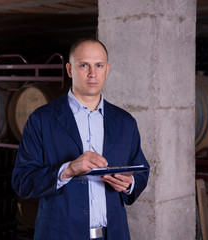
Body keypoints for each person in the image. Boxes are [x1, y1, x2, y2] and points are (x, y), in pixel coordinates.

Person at [12, 38, 150, 240]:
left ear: (107, 69)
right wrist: (67, 170)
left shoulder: (125, 121)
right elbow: (22, 181)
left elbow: (141, 171)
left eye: (99, 65)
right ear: (69, 69)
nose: (92, 73)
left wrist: (129, 184)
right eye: (84, 65)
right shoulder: (41, 119)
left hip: (113, 235)